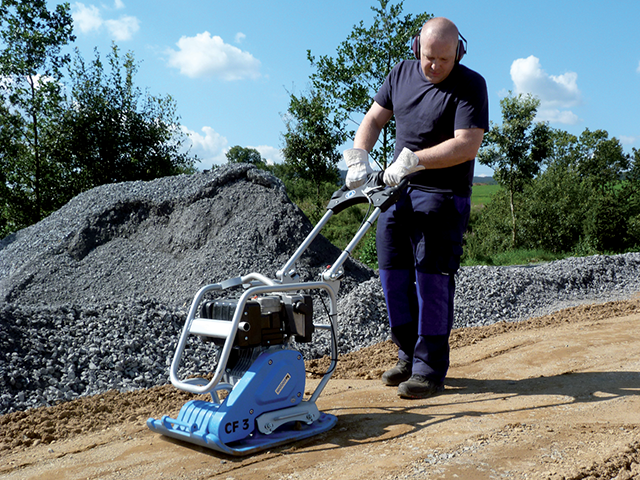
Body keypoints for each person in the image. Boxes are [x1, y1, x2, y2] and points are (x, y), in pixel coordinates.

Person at [344, 17, 489, 399]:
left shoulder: (471, 85)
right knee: (392, 277)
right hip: (395, 191)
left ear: (459, 52)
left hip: (442, 196)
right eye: (429, 58)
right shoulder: (400, 74)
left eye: (444, 59)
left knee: (431, 281)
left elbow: (466, 145)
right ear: (416, 49)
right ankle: (406, 354)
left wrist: (414, 160)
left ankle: (429, 370)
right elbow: (374, 119)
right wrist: (360, 154)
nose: (436, 66)